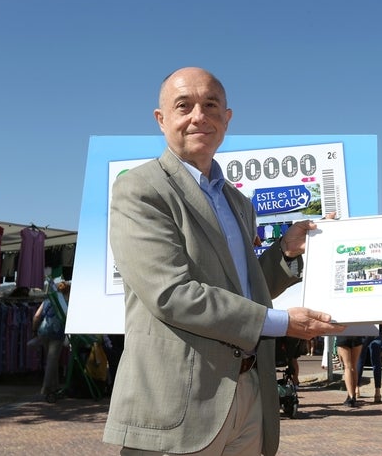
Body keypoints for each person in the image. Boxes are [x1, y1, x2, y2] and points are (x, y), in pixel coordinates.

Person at [102, 67, 345, 456]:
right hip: (179, 404)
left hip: (248, 394)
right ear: (161, 119)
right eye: (184, 106)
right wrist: (283, 323)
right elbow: (172, 294)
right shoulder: (139, 188)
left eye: (210, 105)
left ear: (227, 118)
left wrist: (285, 251)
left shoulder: (238, 203)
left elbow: (244, 289)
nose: (199, 116)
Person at [31, 281, 68, 398]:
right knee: (52, 359)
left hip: (44, 331)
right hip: (57, 333)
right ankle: (45, 387)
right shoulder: (65, 302)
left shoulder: (47, 300)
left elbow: (37, 316)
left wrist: (34, 330)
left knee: (52, 359)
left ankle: (55, 386)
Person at [356, 324, 382, 403]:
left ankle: (356, 388)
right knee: (376, 362)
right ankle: (377, 392)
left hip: (364, 329)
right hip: (377, 330)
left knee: (360, 360)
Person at [335, 335, 364, 407]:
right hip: (357, 334)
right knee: (354, 366)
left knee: (347, 366)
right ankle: (352, 395)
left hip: (343, 335)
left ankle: (351, 397)